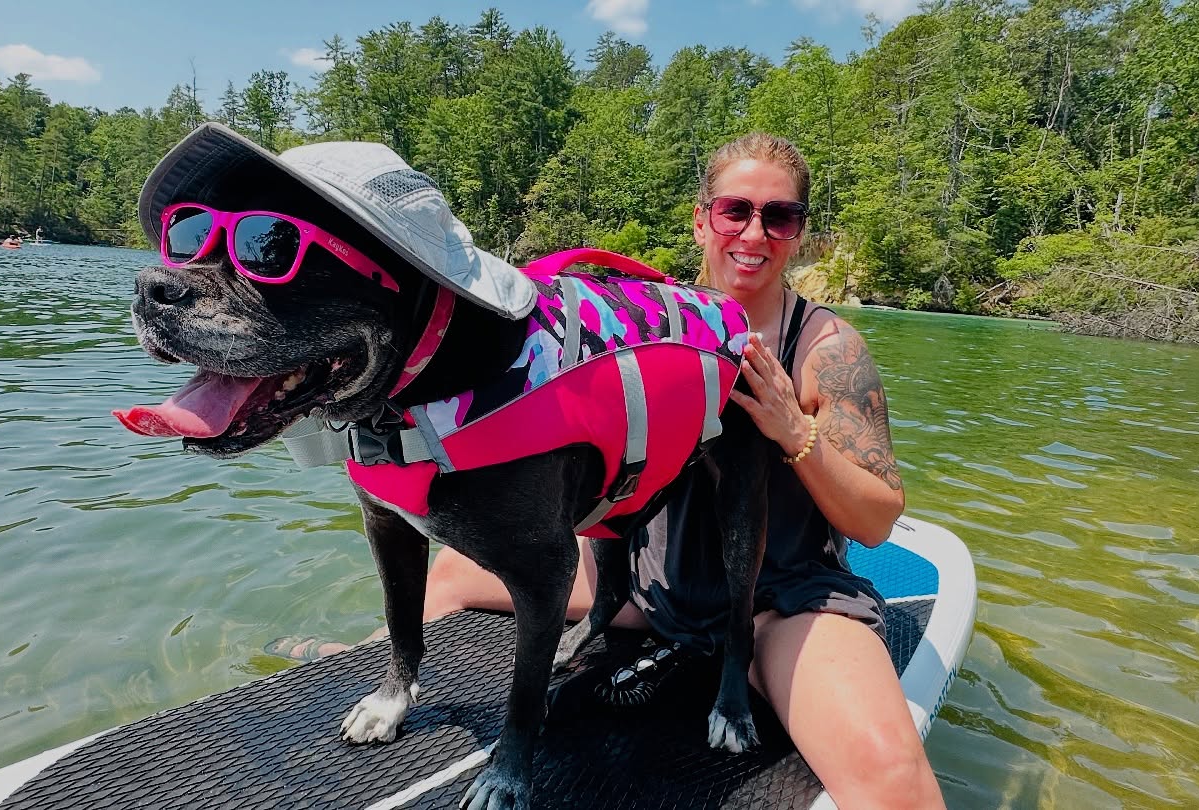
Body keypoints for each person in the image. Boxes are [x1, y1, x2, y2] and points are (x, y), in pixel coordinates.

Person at [269, 132, 944, 808]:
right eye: (736, 211)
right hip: (645, 582)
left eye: (780, 217)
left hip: (776, 600)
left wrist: (796, 431)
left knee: (890, 778)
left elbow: (878, 518)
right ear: (703, 218)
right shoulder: (653, 321)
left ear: (799, 233)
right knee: (449, 573)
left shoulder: (825, 349)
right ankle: (377, 667)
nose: (755, 233)